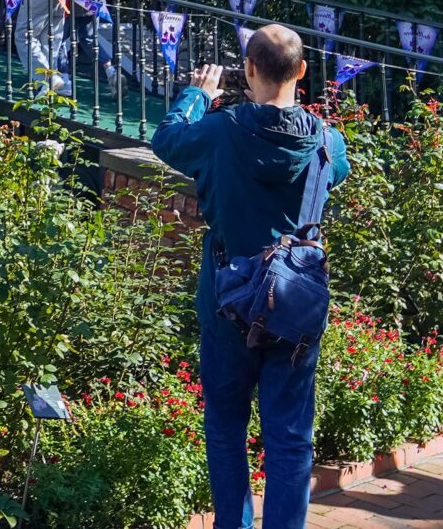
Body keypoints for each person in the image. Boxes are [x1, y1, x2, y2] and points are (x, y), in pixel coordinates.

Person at [151, 26, 351, 529]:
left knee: (225, 426)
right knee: (289, 437)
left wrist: (197, 96)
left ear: (249, 71)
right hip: (295, 303)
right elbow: (337, 174)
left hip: (227, 300)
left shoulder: (221, 131)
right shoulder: (328, 141)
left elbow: (167, 140)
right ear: (302, 72)